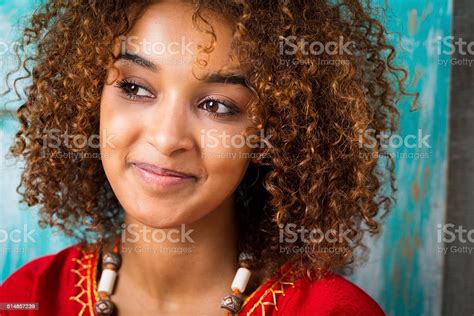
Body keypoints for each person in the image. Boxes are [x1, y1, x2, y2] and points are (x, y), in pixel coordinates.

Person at [1, 0, 413, 315]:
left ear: (274, 133)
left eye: (217, 105)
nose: (166, 139)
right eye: (135, 88)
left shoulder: (331, 310)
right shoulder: (27, 298)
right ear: (90, 96)